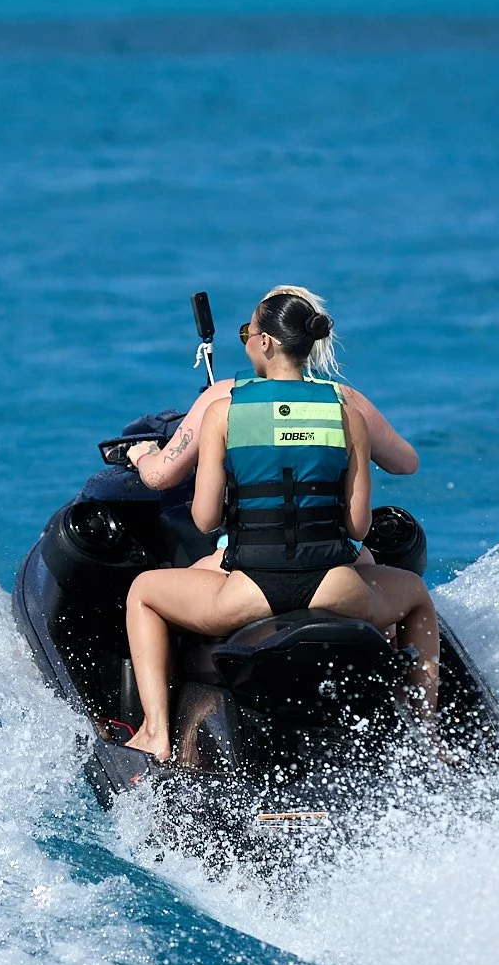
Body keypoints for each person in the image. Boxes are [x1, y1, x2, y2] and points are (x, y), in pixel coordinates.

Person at [123, 289, 441, 763]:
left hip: (249, 593)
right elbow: (357, 526)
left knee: (143, 592)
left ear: (267, 343)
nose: (246, 339)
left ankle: (154, 732)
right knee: (415, 594)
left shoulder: (223, 410)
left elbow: (205, 518)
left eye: (247, 332)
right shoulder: (345, 412)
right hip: (337, 590)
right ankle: (425, 741)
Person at [123, 283, 417, 494]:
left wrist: (142, 453)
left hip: (250, 553)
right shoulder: (345, 402)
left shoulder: (223, 398)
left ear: (264, 340)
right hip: (331, 548)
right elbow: (406, 463)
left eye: (246, 333)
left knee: (146, 583)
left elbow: (161, 476)